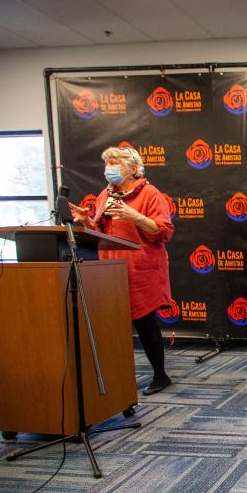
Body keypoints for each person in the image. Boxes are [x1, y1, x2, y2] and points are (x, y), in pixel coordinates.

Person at [69, 146, 175, 395]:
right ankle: (115, 377)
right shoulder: (106, 195)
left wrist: (134, 216)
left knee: (146, 323)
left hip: (141, 269)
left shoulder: (150, 193)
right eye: (107, 164)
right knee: (113, 325)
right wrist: (86, 221)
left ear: (133, 169)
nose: (109, 169)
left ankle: (160, 376)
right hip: (110, 269)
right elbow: (100, 231)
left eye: (114, 164)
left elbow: (164, 231)